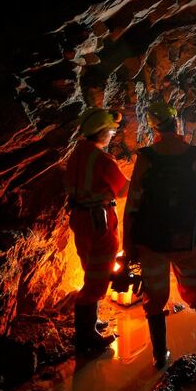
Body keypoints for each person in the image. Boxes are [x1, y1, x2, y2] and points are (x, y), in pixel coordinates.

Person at [123, 100, 196, 369]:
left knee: (155, 296)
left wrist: (129, 242)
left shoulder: (147, 158)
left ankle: (160, 357)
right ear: (177, 123)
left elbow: (133, 203)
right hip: (186, 238)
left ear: (154, 129)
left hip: (151, 241)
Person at [64, 107, 128, 357]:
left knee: (90, 270)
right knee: (97, 278)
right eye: (111, 131)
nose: (112, 135)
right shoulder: (101, 159)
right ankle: (86, 336)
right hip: (98, 221)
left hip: (80, 219)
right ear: (101, 132)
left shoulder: (77, 153)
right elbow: (123, 190)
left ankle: (91, 322)